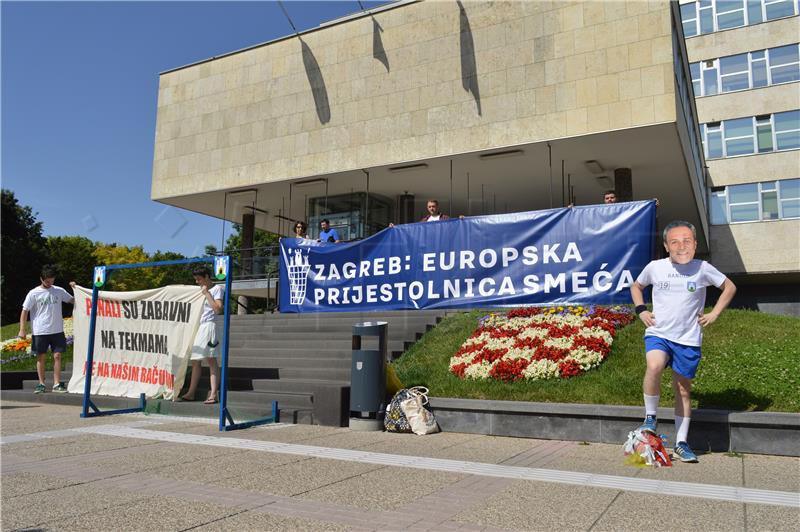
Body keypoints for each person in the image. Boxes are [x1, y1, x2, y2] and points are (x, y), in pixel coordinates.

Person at [630, 221, 736, 463]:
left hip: (688, 338)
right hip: (659, 333)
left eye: (687, 241)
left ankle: (681, 443)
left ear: (695, 244)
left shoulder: (703, 268)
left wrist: (715, 313)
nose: (681, 246)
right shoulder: (655, 267)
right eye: (675, 242)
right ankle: (650, 417)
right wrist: (641, 310)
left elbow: (729, 287)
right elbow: (637, 286)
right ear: (666, 246)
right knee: (654, 366)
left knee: (682, 390)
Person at [19, 265, 76, 394]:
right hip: (40, 330)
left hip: (57, 329)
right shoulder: (33, 293)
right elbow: (24, 311)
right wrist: (22, 329)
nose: (50, 283)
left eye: (52, 280)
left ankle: (56, 384)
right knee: (41, 357)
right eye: (47, 281)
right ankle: (41, 383)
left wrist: (75, 289)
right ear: (41, 279)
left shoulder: (59, 290)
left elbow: (72, 300)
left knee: (57, 355)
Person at [180, 267, 224, 404]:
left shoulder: (217, 289)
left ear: (207, 277)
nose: (197, 282)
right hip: (200, 326)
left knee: (211, 359)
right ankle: (191, 392)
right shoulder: (199, 290)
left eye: (199, 279)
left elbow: (218, 309)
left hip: (210, 326)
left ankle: (213, 394)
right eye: (196, 280)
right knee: (195, 360)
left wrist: (207, 294)